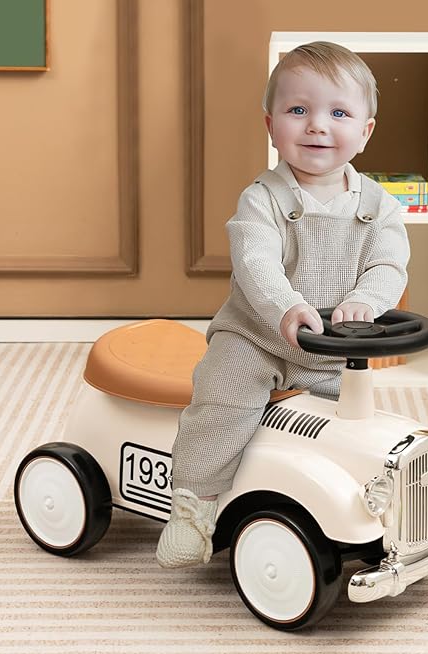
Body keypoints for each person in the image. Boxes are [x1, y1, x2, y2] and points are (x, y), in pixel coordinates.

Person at [156, 41, 409, 568]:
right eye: (298, 110)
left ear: (365, 132)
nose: (317, 125)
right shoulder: (262, 199)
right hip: (256, 336)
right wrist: (286, 307)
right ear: (271, 126)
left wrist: (366, 299)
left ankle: (370, 513)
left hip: (331, 349)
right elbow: (256, 263)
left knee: (351, 429)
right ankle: (194, 507)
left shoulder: (381, 207)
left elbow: (389, 266)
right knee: (222, 399)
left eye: (338, 113)